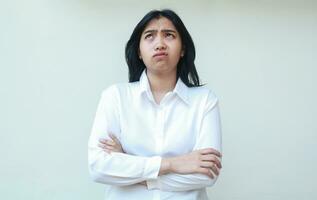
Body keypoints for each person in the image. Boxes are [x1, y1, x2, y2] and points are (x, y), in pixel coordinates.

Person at [88, 9, 222, 200]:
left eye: (169, 35)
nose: (159, 44)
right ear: (139, 52)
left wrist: (130, 166)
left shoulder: (204, 100)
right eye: (149, 36)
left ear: (183, 49)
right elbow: (99, 167)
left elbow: (206, 175)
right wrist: (172, 164)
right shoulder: (115, 97)